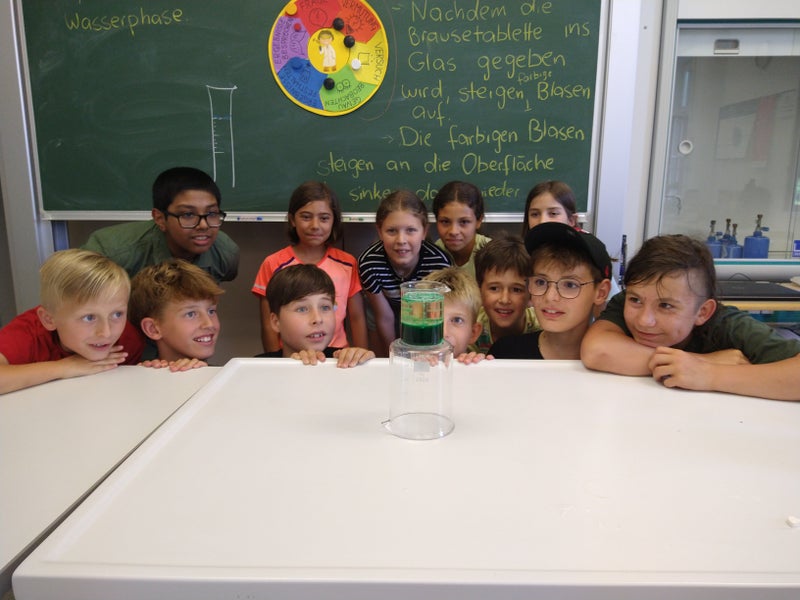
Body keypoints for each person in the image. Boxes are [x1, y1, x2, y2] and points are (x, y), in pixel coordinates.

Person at [580, 234, 800, 401]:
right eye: (635, 300)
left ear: (703, 312)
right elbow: (596, 350)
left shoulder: (729, 325)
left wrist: (711, 375)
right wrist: (701, 362)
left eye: (666, 306)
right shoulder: (628, 301)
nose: (644, 320)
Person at [0, 249, 144, 394]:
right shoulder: (28, 332)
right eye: (89, 317)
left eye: (117, 314)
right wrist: (64, 367)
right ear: (49, 319)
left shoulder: (128, 340)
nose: (106, 332)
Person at [252, 181, 366, 355]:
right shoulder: (273, 263)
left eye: (324, 218)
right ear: (292, 220)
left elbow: (357, 317)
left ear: (334, 221)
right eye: (306, 217)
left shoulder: (347, 263)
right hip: (293, 356)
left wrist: (360, 354)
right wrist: (276, 360)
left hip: (337, 357)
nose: (315, 225)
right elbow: (269, 323)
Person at [82, 166, 239, 283]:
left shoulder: (225, 253)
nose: (203, 225)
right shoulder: (111, 253)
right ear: (160, 219)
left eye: (211, 214)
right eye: (188, 215)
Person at [490, 222, 612, 359]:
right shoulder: (505, 353)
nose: (550, 296)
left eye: (570, 285)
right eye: (541, 282)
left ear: (601, 292)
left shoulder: (615, 362)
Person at [358, 189, 452, 356]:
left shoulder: (439, 263)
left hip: (423, 313)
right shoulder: (369, 263)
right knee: (383, 354)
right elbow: (384, 317)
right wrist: (396, 356)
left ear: (424, 232)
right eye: (391, 231)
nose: (401, 240)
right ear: (379, 231)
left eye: (410, 230)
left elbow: (432, 317)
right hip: (385, 308)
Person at [259, 264, 374, 367]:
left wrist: (363, 363)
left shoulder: (345, 361)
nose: (318, 319)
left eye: (325, 307)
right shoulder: (258, 368)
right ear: (276, 322)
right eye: (302, 309)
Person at [128, 259, 224, 371]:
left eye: (211, 311)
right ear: (153, 329)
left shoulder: (229, 377)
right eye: (191, 314)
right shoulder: (140, 377)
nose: (209, 324)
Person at [470, 234, 539, 354]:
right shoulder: (471, 327)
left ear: (531, 295)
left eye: (516, 290)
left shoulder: (542, 328)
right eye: (494, 288)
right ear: (479, 289)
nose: (504, 299)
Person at [423, 267, 486, 363]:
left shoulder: (477, 365)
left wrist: (478, 367)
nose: (443, 333)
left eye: (457, 320)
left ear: (473, 333)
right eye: (431, 318)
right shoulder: (405, 363)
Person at [432, 181, 491, 281]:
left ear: (478, 221)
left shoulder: (493, 255)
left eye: (464, 222)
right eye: (445, 221)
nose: (453, 231)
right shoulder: (434, 254)